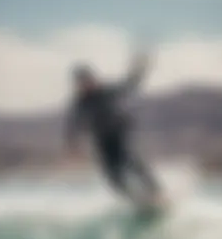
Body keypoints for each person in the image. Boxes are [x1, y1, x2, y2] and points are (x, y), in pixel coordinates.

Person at [65, 52, 160, 207]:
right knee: (113, 177)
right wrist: (72, 144)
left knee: (131, 162)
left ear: (92, 79)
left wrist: (139, 69)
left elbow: (128, 85)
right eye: (81, 82)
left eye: (87, 80)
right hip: (102, 142)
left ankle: (156, 192)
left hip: (118, 135)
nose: (85, 85)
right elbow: (73, 124)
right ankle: (137, 201)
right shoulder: (80, 103)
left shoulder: (105, 91)